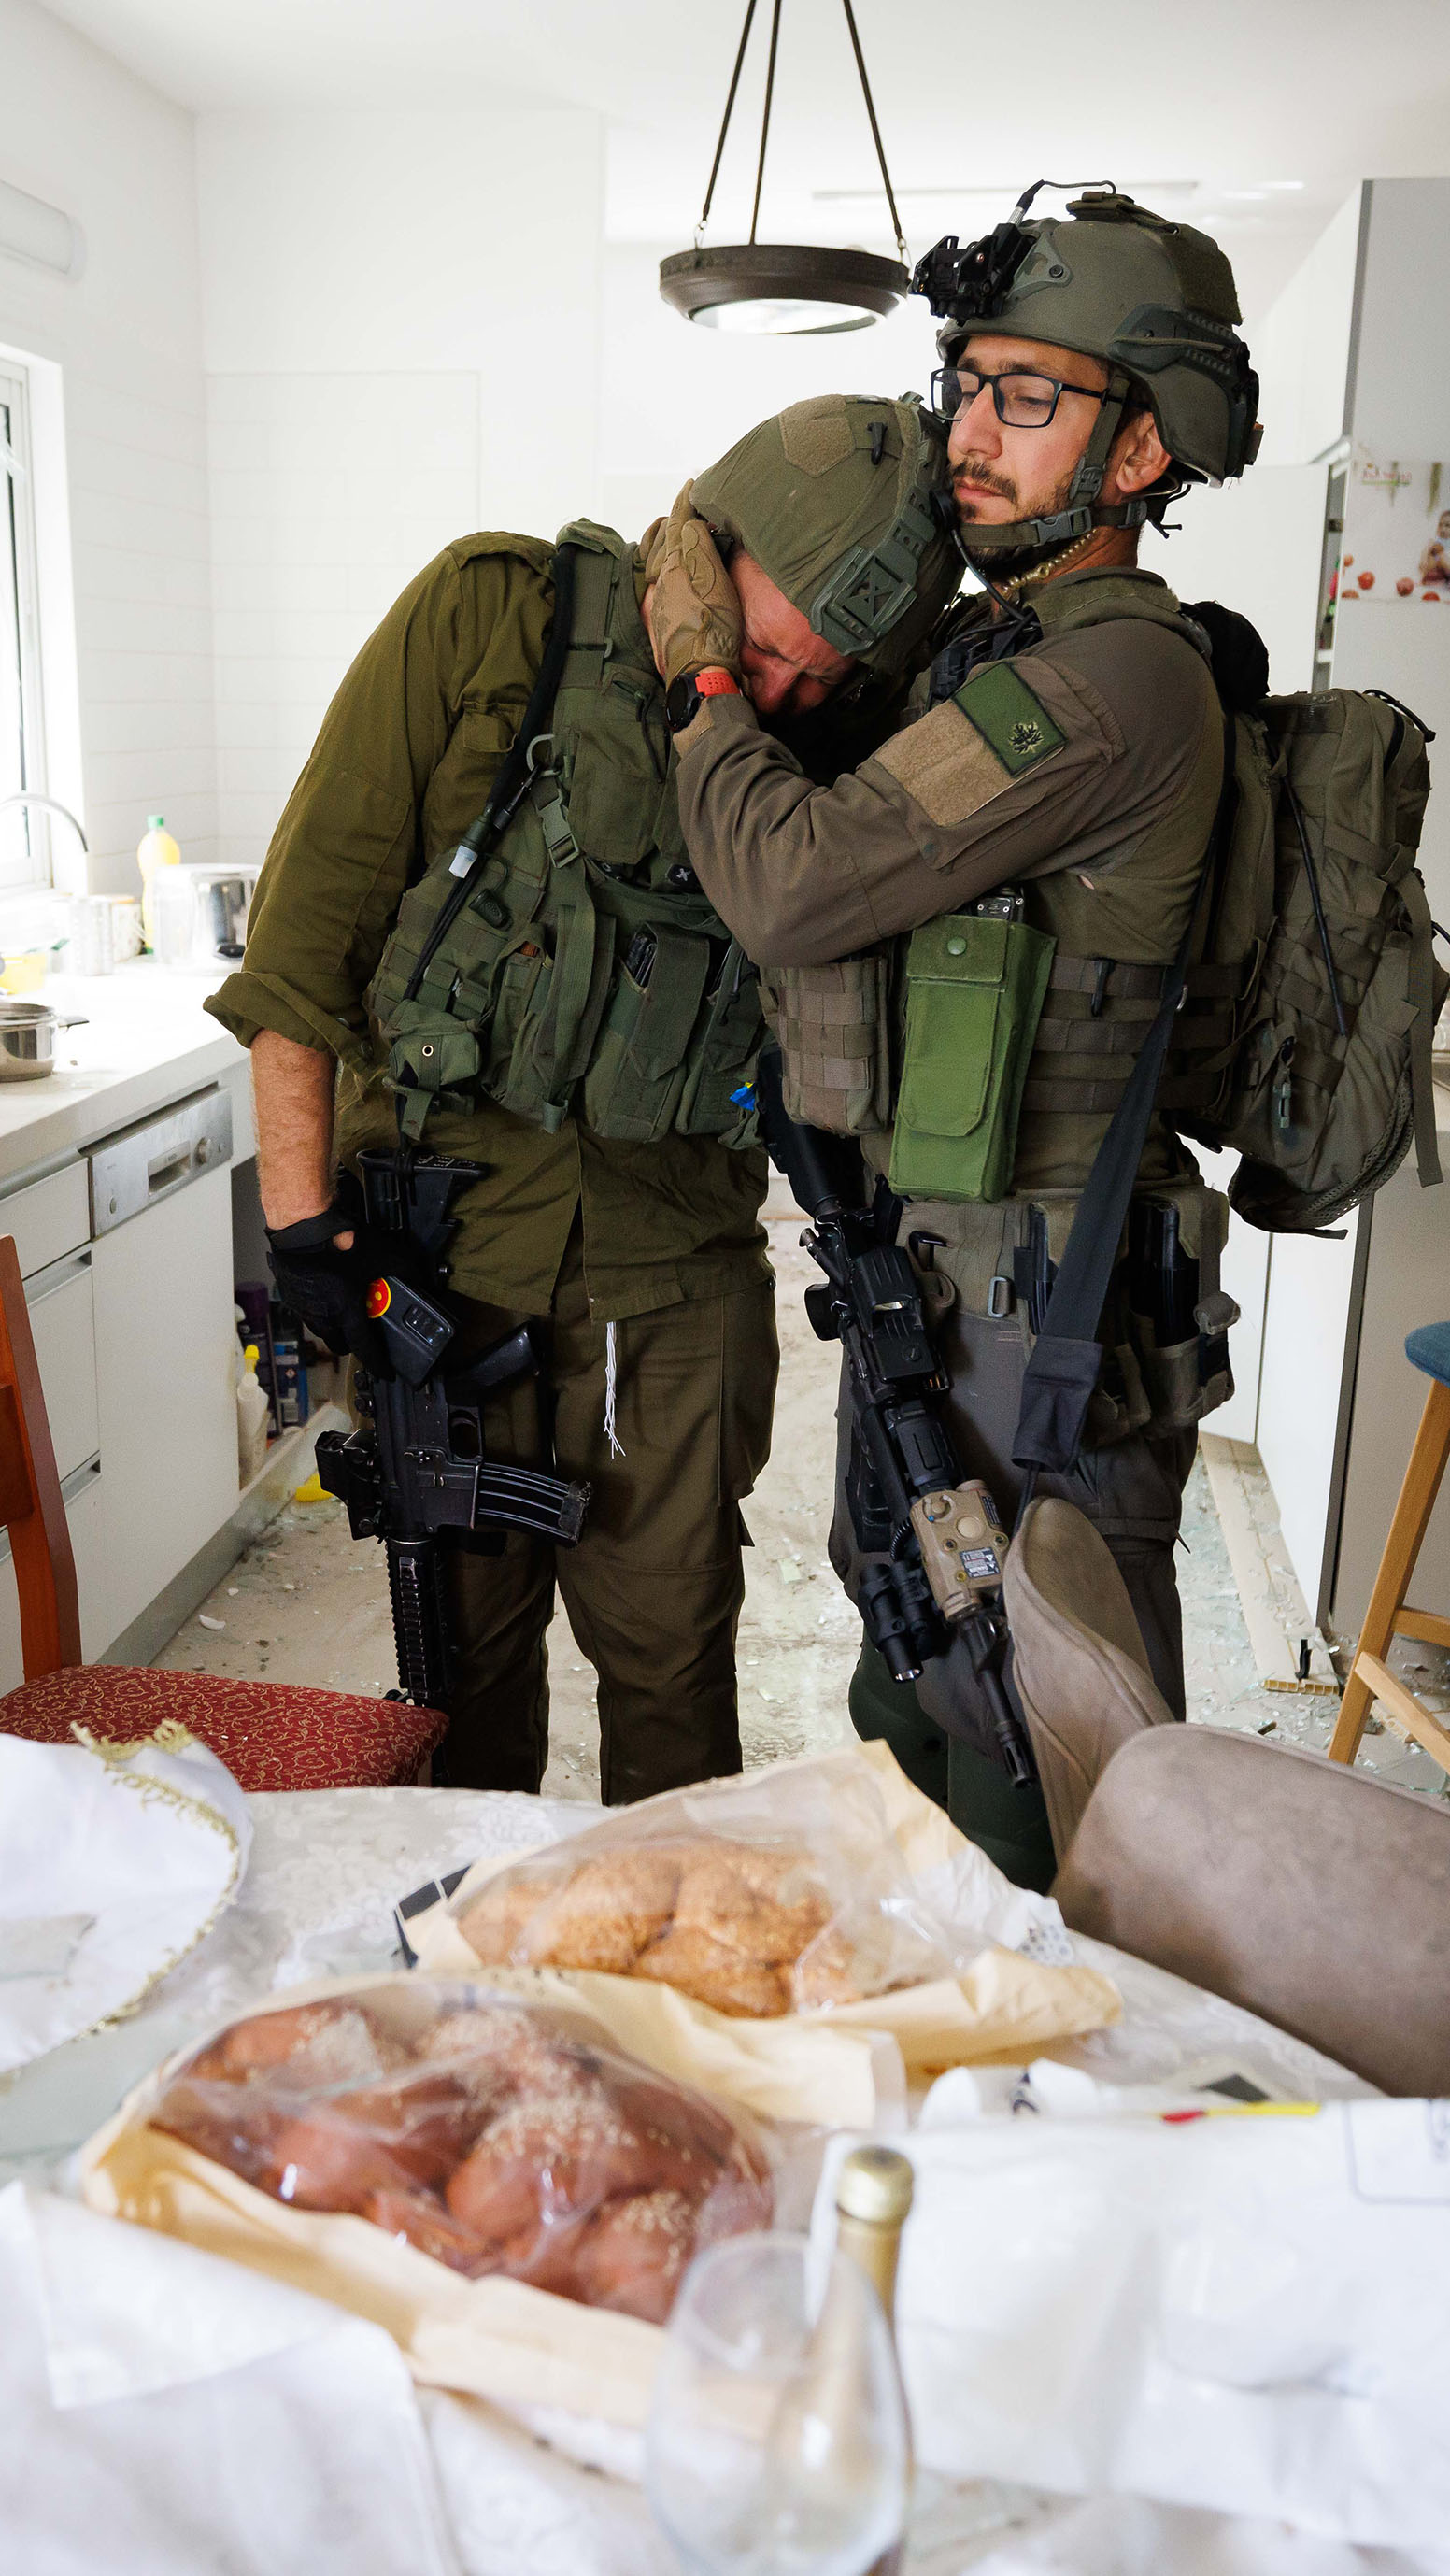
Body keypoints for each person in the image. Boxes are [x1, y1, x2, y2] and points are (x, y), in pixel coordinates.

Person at [213, 398, 960, 1800]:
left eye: (830, 673)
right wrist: (304, 1230)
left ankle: (662, 1999)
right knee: (463, 1693)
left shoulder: (839, 737)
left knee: (675, 1684)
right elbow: (301, 948)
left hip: (670, 1286)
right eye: (775, 650)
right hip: (442, 1273)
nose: (788, 699)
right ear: (702, 548)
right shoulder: (491, 621)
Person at [645, 190, 1262, 1885]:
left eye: (1029, 399)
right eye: (967, 386)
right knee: (915, 1686)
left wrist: (705, 679)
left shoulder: (1108, 679)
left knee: (1052, 1751)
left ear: (1139, 454)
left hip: (1037, 1312)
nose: (970, 437)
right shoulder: (997, 643)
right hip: (939, 1273)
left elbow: (788, 882)